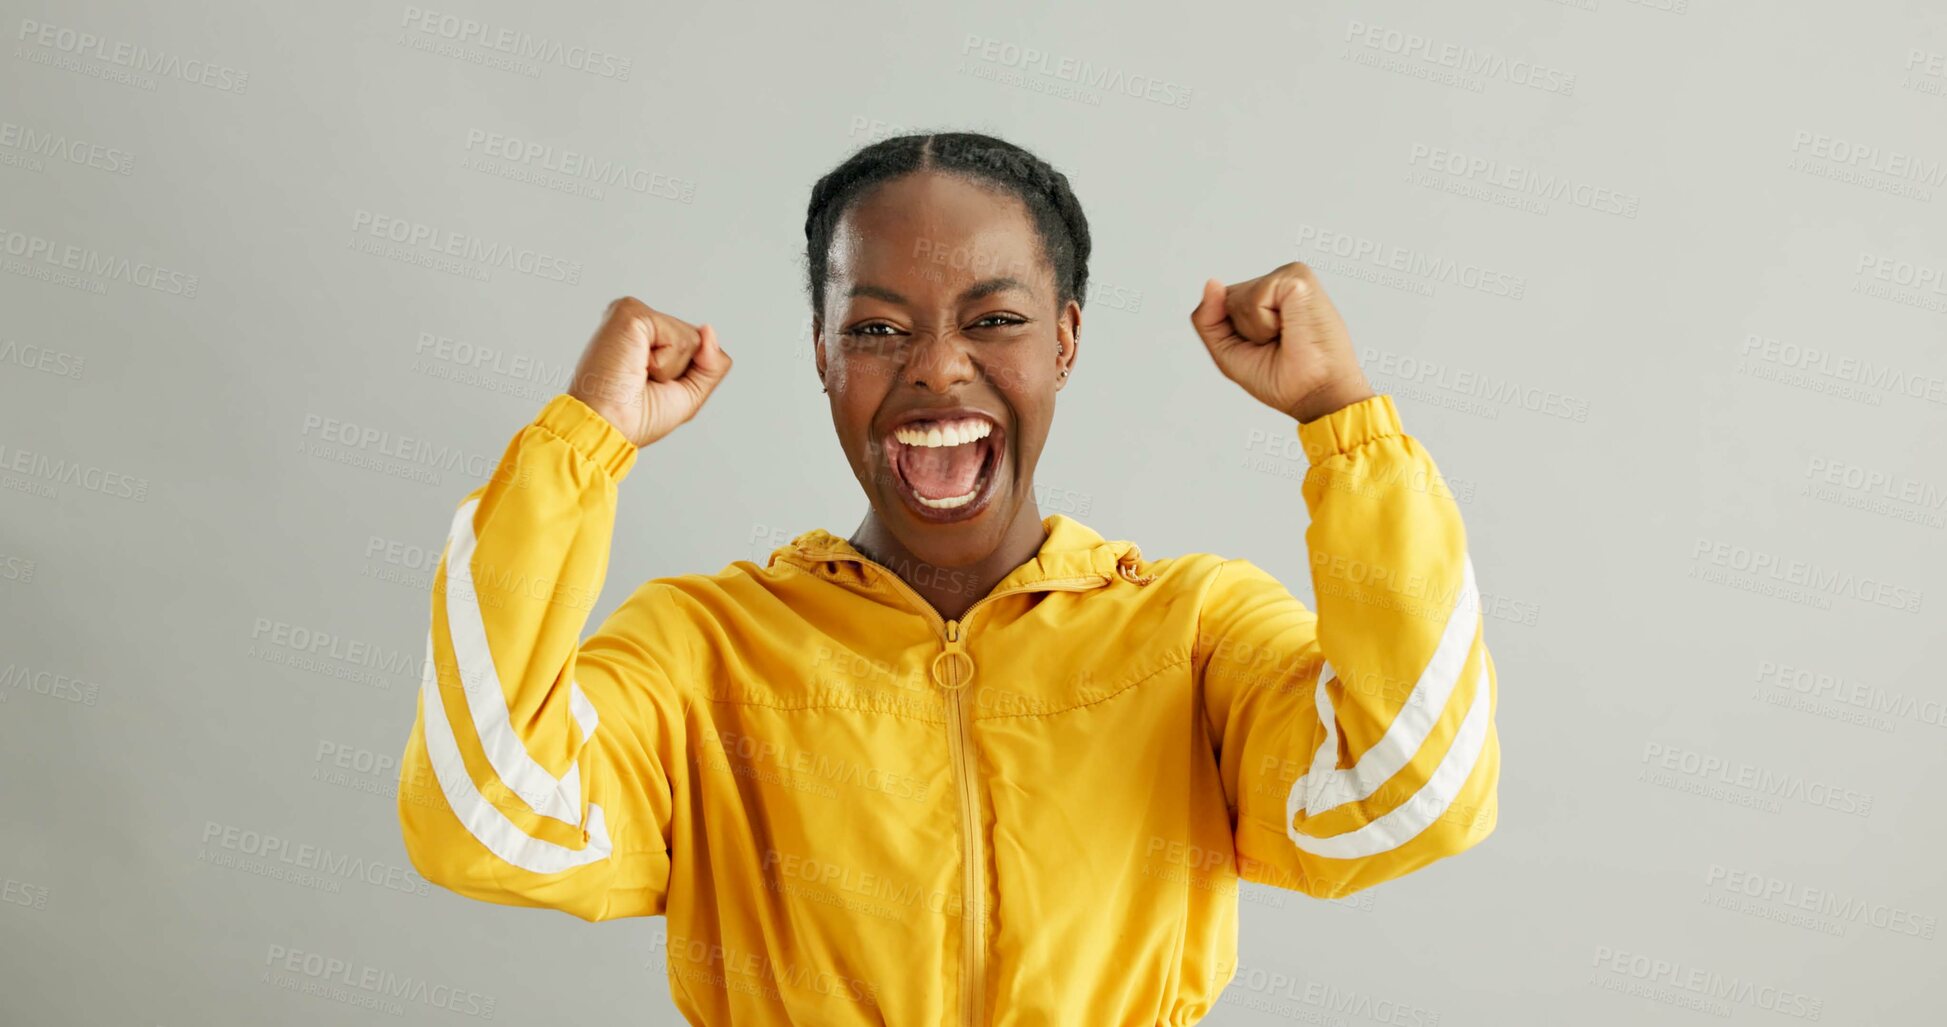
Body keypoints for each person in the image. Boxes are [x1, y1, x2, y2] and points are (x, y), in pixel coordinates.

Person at [395, 131, 1500, 1025]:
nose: (934, 365)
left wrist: (1342, 423)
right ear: (822, 355)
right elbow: (484, 815)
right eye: (876, 327)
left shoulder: (1194, 629)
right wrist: (582, 445)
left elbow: (1410, 794)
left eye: (996, 321)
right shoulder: (704, 647)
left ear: (1065, 341)